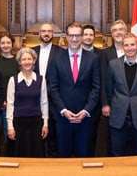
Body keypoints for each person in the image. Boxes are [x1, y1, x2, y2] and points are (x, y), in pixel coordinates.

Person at [49, 22, 100, 157]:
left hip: (85, 118)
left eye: (78, 35)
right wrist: (64, 111)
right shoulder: (56, 59)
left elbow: (96, 88)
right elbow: (53, 88)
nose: (74, 39)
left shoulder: (93, 59)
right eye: (71, 35)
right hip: (63, 118)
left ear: (82, 36)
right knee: (63, 158)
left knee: (84, 157)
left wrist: (86, 111)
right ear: (66, 36)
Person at [106, 32, 137, 156]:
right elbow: (109, 90)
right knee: (117, 154)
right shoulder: (113, 65)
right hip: (118, 118)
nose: (130, 48)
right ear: (122, 47)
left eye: (132, 44)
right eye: (126, 45)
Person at [7, 47, 49, 157]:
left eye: (29, 59)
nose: (27, 62)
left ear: (34, 61)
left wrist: (45, 124)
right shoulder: (13, 80)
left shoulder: (41, 79)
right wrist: (10, 126)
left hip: (36, 123)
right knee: (19, 154)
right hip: (18, 123)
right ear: (20, 62)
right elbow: (10, 104)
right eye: (24, 59)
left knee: (37, 154)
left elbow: (44, 102)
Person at [32, 23, 63, 157]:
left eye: (49, 31)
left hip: (55, 101)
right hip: (34, 101)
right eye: (43, 31)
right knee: (36, 137)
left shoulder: (61, 52)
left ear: (53, 34)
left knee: (53, 138)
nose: (46, 34)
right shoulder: (32, 52)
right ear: (39, 33)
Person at [100, 19, 127, 155]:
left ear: (125, 32)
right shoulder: (105, 54)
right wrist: (105, 103)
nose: (118, 33)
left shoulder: (135, 51)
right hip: (113, 103)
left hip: (131, 104)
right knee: (114, 142)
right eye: (115, 30)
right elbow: (103, 80)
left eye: (121, 29)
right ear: (111, 34)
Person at [0, 32, 19, 156]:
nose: (6, 45)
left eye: (8, 42)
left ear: (12, 44)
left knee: (10, 135)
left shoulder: (18, 61)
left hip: (13, 105)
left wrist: (9, 102)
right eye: (3, 43)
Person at [82, 24, 103, 157]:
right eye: (86, 34)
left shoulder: (101, 55)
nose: (88, 37)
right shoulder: (71, 53)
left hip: (95, 102)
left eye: (91, 35)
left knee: (92, 135)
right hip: (76, 103)